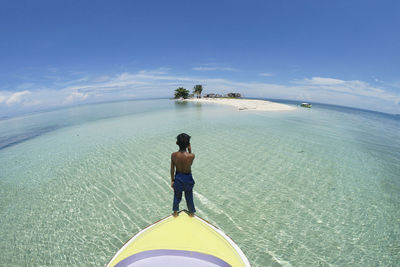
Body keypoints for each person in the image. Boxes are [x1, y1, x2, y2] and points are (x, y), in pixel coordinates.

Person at [170, 133, 196, 217]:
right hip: (188, 178)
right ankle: (191, 212)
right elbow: (190, 164)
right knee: (189, 196)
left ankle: (175, 212)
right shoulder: (191, 156)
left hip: (178, 177)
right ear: (188, 144)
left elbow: (172, 169)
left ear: (177, 143)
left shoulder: (173, 155)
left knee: (177, 196)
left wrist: (172, 180)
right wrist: (190, 150)